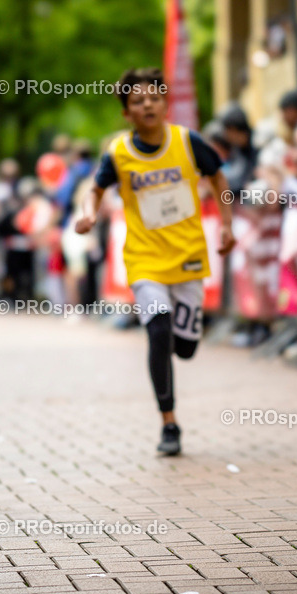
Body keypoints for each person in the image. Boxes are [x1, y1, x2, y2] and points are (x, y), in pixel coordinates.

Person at [75, 67, 235, 456]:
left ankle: (185, 342)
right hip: (144, 259)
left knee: (185, 348)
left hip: (188, 256)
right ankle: (169, 423)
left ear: (165, 103)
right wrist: (89, 214)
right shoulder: (119, 153)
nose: (147, 105)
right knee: (158, 330)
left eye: (153, 97)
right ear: (127, 113)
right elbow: (93, 191)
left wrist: (227, 224)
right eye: (137, 101)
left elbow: (218, 178)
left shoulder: (187, 141)